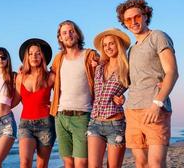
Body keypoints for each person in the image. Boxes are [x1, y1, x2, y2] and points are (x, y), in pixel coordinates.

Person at [116, 0, 179, 168]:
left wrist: (157, 103)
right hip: (133, 110)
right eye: (128, 19)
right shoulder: (132, 49)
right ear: (124, 23)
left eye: (137, 16)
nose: (133, 22)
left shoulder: (158, 36)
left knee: (156, 163)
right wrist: (120, 96)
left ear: (145, 15)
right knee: (141, 163)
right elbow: (134, 80)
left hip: (154, 109)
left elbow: (172, 72)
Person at [50, 20, 99, 168]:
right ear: (60, 38)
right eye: (64, 33)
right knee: (68, 163)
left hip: (83, 116)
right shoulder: (58, 59)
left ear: (77, 34)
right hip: (61, 116)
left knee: (82, 162)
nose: (68, 35)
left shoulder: (89, 55)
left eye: (71, 31)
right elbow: (48, 79)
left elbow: (107, 70)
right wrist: (23, 71)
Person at [87, 28, 131, 168]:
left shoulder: (127, 67)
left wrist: (124, 98)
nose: (108, 47)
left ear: (118, 44)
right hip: (95, 123)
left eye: (111, 43)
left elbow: (138, 88)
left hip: (116, 124)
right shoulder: (99, 67)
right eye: (105, 45)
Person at [12, 38, 56, 168]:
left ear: (42, 56)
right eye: (30, 54)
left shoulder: (51, 77)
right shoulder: (20, 77)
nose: (34, 57)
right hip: (26, 124)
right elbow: (16, 99)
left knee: (42, 165)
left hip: (46, 123)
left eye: (38, 53)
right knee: (25, 162)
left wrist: (53, 104)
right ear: (26, 57)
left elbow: (62, 95)